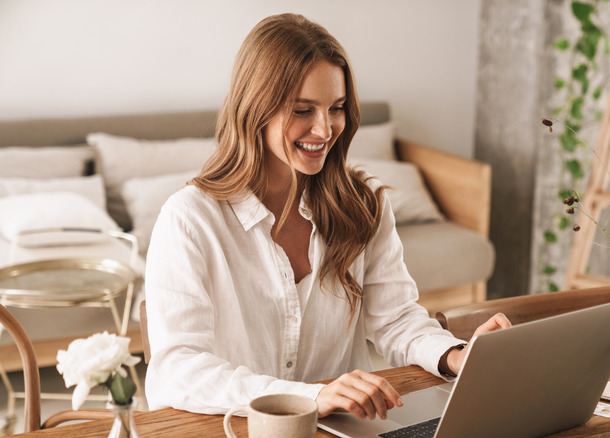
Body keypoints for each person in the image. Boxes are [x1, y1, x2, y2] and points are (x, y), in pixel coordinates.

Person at [143, 13, 509, 421]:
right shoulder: (190, 219)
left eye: (336, 108)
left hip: (344, 428)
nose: (324, 129)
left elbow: (394, 318)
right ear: (255, 107)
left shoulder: (364, 204)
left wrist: (456, 355)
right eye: (303, 109)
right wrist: (308, 396)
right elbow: (179, 368)